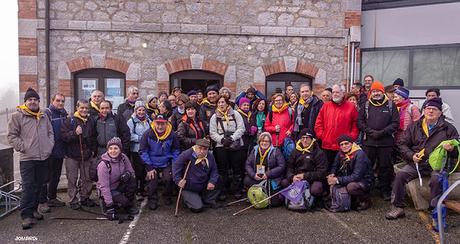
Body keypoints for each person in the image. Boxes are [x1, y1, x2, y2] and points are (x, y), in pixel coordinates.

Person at [386, 98, 459, 220]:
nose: (430, 111)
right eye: (428, 108)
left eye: (434, 109)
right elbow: (402, 144)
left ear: (440, 112)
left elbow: (458, 150)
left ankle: (436, 212)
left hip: (438, 165)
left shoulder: (449, 129)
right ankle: (397, 207)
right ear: (423, 111)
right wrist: (411, 156)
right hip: (417, 163)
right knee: (400, 176)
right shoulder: (415, 126)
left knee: (437, 179)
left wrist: (451, 149)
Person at [8, 88, 54, 229]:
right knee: (28, 187)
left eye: (35, 99)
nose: (33, 102)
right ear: (25, 102)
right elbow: (12, 136)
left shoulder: (44, 116)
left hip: (43, 157)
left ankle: (34, 210)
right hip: (27, 158)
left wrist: (49, 146)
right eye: (30, 100)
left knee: (39, 186)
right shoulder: (17, 116)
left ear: (39, 101)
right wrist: (23, 147)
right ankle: (26, 215)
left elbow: (50, 133)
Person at [357, 81, 399, 201]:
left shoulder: (391, 105)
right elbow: (360, 122)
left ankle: (385, 190)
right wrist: (370, 132)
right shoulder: (366, 105)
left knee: (385, 167)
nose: (376, 93)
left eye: (378, 91)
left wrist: (381, 133)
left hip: (385, 143)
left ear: (382, 92)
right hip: (369, 142)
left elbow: (395, 123)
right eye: (374, 91)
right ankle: (368, 189)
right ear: (371, 92)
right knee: (367, 166)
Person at [61, 100, 97, 210]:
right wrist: (74, 133)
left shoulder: (91, 121)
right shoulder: (69, 120)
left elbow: (94, 136)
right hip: (72, 155)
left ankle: (85, 197)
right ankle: (73, 200)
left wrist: (92, 150)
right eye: (82, 108)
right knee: (72, 179)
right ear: (77, 108)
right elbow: (64, 136)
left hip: (86, 155)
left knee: (86, 178)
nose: (84, 110)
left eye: (86, 108)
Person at [140, 114, 180, 210]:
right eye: (158, 123)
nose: (160, 126)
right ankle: (152, 199)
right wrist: (149, 167)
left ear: (166, 123)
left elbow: (176, 150)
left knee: (168, 178)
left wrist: (173, 164)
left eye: (163, 124)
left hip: (166, 162)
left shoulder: (172, 134)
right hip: (152, 162)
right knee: (152, 180)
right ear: (154, 123)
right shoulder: (148, 134)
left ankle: (167, 196)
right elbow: (143, 151)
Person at [209, 96, 245, 200]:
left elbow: (241, 128)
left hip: (235, 144)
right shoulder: (214, 117)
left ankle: (236, 190)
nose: (221, 104)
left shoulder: (236, 114)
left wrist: (232, 138)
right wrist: (222, 140)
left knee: (236, 168)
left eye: (223, 102)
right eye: (219, 102)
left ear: (227, 103)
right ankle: (223, 190)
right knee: (222, 169)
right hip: (221, 146)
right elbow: (212, 132)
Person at [173, 139, 220, 213]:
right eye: (200, 148)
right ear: (195, 147)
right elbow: (176, 166)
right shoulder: (186, 154)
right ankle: (188, 198)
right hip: (189, 186)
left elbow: (214, 170)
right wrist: (178, 180)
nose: (202, 151)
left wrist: (212, 181)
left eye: (205, 149)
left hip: (203, 183)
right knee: (197, 208)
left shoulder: (210, 156)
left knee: (219, 179)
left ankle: (208, 200)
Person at [315, 84, 359, 164]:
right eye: (333, 92)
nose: (335, 94)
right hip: (327, 145)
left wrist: (350, 138)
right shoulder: (326, 106)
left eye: (337, 92)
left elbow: (355, 125)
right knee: (327, 169)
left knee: (341, 170)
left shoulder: (351, 107)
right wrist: (322, 135)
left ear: (343, 93)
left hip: (344, 146)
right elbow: (319, 123)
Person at [327, 135, 373, 211]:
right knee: (330, 181)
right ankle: (349, 200)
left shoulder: (360, 154)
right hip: (349, 177)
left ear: (352, 144)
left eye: (346, 143)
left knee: (351, 187)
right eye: (341, 144)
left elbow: (357, 176)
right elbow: (335, 166)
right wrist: (332, 174)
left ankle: (365, 200)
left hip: (364, 181)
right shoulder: (340, 153)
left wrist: (337, 180)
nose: (344, 146)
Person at [97, 137, 139, 220]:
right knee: (123, 202)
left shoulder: (123, 157)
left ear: (120, 149)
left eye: (116, 148)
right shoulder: (103, 165)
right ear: (107, 150)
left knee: (132, 180)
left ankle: (129, 204)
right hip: (109, 189)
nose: (113, 151)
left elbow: (131, 172)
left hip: (119, 185)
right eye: (110, 148)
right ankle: (107, 204)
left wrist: (127, 174)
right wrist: (110, 206)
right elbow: (104, 187)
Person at [39, 93, 68, 212]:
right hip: (49, 152)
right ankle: (43, 201)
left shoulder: (64, 114)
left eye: (62, 101)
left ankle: (52, 198)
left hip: (60, 151)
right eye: (58, 100)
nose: (60, 103)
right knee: (46, 178)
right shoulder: (47, 113)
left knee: (56, 176)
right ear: (52, 101)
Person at [282, 128, 328, 202]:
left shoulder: (319, 153)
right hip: (297, 178)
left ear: (312, 139)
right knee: (284, 182)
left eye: (307, 138)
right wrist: (292, 177)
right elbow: (289, 167)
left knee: (316, 189)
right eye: (303, 138)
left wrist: (304, 176)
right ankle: (295, 198)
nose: (305, 140)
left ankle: (312, 200)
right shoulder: (295, 151)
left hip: (312, 179)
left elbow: (322, 173)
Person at [244, 132, 286, 207]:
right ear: (259, 142)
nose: (264, 143)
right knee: (247, 180)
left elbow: (281, 166)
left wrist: (268, 174)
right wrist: (253, 175)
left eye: (266, 141)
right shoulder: (254, 150)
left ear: (270, 142)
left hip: (271, 178)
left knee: (274, 203)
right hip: (258, 177)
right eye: (262, 141)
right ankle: (255, 195)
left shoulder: (276, 151)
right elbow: (248, 164)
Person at [127, 101, 152, 197]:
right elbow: (129, 135)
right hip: (136, 150)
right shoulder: (131, 121)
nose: (141, 112)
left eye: (143, 110)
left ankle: (144, 188)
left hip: (147, 150)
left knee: (146, 170)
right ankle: (138, 190)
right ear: (135, 111)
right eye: (139, 110)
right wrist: (142, 138)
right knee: (138, 170)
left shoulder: (149, 121)